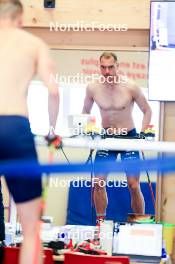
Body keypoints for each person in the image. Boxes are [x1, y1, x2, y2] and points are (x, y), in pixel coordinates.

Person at [0, 0, 59, 263]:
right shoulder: (34, 43)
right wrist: (51, 130)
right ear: (20, 19)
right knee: (31, 229)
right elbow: (54, 91)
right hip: (15, 128)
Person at [82, 52, 152, 224]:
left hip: (129, 137)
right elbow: (85, 112)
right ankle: (100, 224)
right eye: (103, 67)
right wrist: (90, 130)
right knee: (98, 182)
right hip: (107, 138)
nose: (107, 72)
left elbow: (147, 110)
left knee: (133, 185)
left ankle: (139, 223)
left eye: (110, 67)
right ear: (99, 67)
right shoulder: (93, 87)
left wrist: (143, 134)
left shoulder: (131, 86)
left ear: (117, 67)